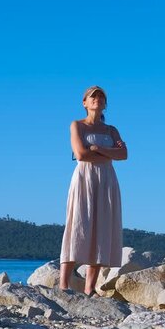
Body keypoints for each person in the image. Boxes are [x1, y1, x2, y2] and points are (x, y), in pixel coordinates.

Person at [59, 86, 127, 296]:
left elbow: (123, 153)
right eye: (93, 96)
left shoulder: (111, 130)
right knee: (78, 223)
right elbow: (80, 154)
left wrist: (98, 150)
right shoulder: (77, 125)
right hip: (84, 178)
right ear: (85, 102)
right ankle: (63, 285)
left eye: (101, 97)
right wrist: (108, 154)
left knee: (102, 227)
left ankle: (90, 288)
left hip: (106, 179)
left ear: (105, 103)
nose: (97, 99)